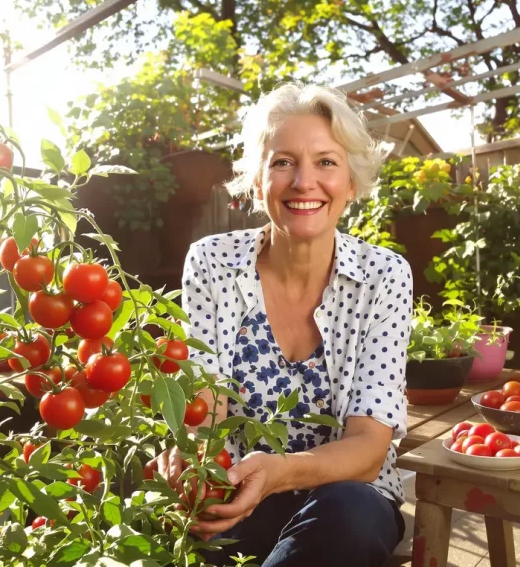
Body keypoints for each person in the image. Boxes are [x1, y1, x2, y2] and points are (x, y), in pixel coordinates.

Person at [160, 82, 413, 567]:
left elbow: (368, 448)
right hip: (235, 488)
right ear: (258, 182)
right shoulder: (212, 263)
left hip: (345, 498)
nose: (303, 181)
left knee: (350, 516)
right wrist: (190, 457)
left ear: (351, 183)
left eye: (326, 162)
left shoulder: (383, 276)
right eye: (282, 162)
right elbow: (202, 405)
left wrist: (279, 472)